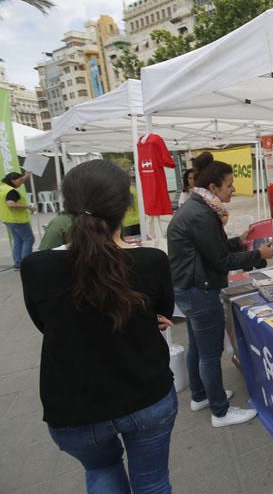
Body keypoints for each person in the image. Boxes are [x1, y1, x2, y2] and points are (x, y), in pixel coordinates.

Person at [20, 160, 177, 493]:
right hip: (146, 395)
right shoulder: (150, 261)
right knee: (152, 481)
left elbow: (45, 324)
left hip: (75, 407)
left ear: (68, 207)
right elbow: (163, 313)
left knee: (103, 470)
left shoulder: (36, 267)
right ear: (125, 207)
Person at [167, 152, 273, 428]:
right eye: (228, 185)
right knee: (209, 352)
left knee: (197, 346)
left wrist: (239, 242)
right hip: (199, 289)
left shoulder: (200, 208)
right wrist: (259, 254)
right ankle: (220, 411)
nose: (233, 190)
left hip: (190, 286)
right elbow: (220, 261)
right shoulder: (202, 214)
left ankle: (201, 395)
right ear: (213, 188)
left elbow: (212, 249)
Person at [1, 171, 36, 269]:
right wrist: (28, 207)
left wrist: (27, 175)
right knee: (29, 239)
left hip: (7, 219)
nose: (22, 182)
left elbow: (19, 180)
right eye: (20, 180)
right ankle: (25, 264)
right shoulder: (11, 191)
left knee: (18, 240)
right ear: (13, 180)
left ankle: (18, 263)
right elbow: (10, 204)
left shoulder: (3, 187)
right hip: (17, 219)